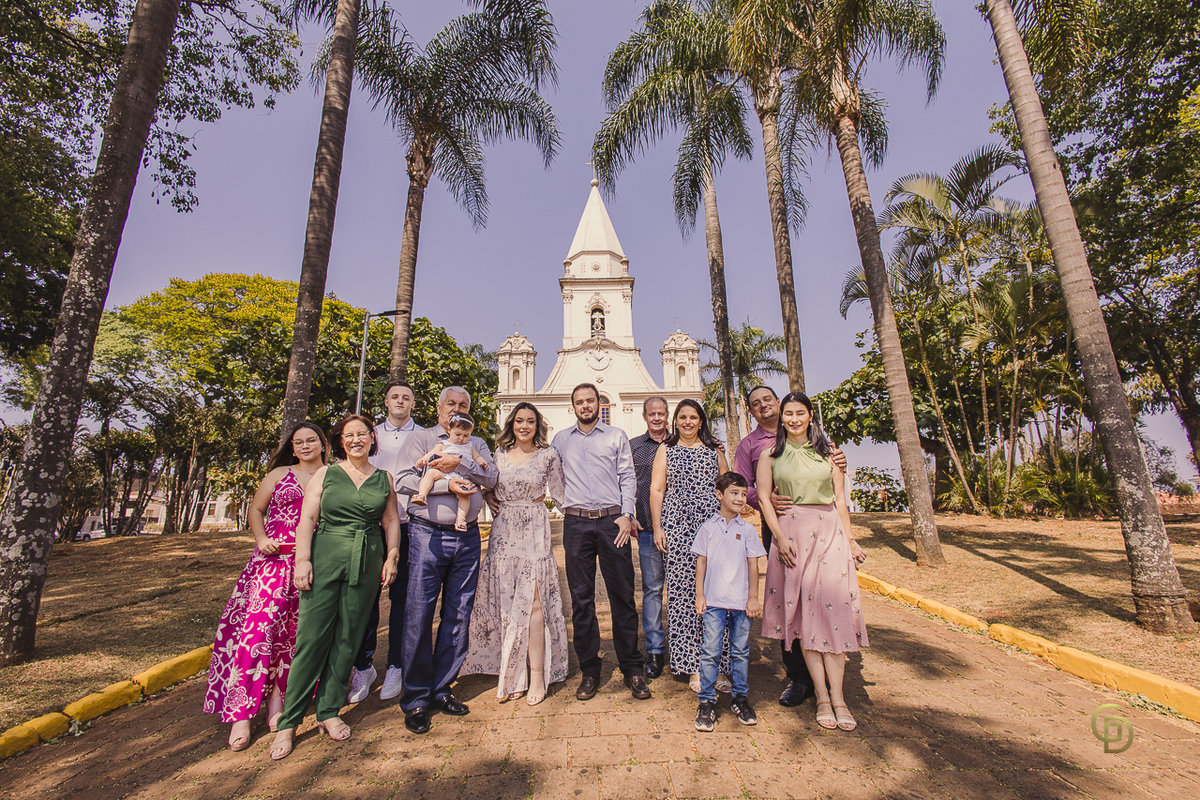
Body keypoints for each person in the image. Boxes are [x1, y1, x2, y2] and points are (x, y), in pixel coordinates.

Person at [270, 414, 401, 760]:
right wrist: (302, 560)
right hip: (327, 554)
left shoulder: (383, 478)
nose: (356, 440)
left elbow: (390, 519)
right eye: (349, 435)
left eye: (362, 434)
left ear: (372, 438)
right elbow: (308, 518)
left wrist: (392, 556)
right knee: (311, 639)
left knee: (348, 638)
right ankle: (289, 721)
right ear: (341, 441)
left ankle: (328, 710)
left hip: (367, 558)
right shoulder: (326, 474)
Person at [204, 422, 327, 751]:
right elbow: (256, 510)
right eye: (298, 442)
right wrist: (260, 539)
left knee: (295, 637)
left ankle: (278, 700)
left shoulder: (332, 475)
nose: (304, 446)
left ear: (323, 444)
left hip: (312, 563)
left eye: (311, 440)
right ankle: (241, 712)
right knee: (258, 634)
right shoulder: (278, 474)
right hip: (272, 562)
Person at [757, 392, 868, 732]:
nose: (794, 419)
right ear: (782, 417)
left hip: (830, 533)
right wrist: (780, 538)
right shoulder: (770, 455)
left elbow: (840, 500)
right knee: (805, 618)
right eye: (788, 413)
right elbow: (763, 498)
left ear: (810, 416)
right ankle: (821, 696)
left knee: (834, 613)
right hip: (792, 537)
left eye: (800, 413)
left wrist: (851, 540)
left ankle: (839, 698)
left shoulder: (830, 454)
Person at [733, 385, 846, 708]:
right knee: (790, 599)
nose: (762, 406)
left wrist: (839, 459)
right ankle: (799, 676)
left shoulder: (812, 437)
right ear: (751, 412)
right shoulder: (750, 445)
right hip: (780, 527)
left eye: (767, 400)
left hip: (822, 530)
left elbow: (831, 473)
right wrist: (765, 498)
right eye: (755, 404)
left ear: (780, 404)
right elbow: (743, 485)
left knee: (823, 598)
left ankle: (828, 672)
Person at [395, 386, 498, 734]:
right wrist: (447, 486)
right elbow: (404, 479)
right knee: (419, 613)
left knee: (458, 613)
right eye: (451, 403)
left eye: (463, 404)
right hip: (427, 534)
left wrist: (462, 463)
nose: (456, 408)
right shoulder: (423, 439)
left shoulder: (476, 442)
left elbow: (491, 477)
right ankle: (416, 699)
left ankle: (441, 688)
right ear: (439, 409)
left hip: (467, 537)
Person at [464, 402, 569, 705]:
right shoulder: (498, 455)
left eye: (530, 421)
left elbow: (561, 495)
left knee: (535, 602)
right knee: (508, 602)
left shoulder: (549, 455)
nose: (524, 426)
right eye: (519, 421)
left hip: (535, 531)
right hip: (504, 532)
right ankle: (513, 671)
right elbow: (487, 484)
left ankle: (536, 675)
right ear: (511, 424)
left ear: (538, 426)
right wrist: (487, 496)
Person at [552, 383, 649, 701]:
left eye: (590, 400)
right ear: (573, 406)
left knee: (622, 596)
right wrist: (565, 506)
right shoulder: (561, 440)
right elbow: (554, 477)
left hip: (612, 523)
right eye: (579, 402)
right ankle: (590, 671)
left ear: (597, 403)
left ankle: (632, 668)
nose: (585, 406)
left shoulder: (615, 436)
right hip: (576, 524)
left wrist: (626, 514)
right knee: (581, 600)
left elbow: (628, 476)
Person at [348, 381, 423, 706]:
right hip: (370, 526)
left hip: (408, 525)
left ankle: (395, 664)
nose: (400, 401)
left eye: (406, 397)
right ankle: (363, 666)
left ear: (413, 403)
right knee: (365, 598)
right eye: (395, 397)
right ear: (386, 402)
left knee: (402, 599)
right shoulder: (370, 435)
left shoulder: (423, 436)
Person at [650, 398, 731, 693]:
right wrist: (658, 527)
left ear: (701, 421)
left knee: (716, 593)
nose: (687, 422)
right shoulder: (666, 449)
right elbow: (657, 489)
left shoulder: (714, 450)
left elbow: (727, 490)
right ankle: (693, 665)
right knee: (684, 594)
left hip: (711, 527)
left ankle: (718, 666)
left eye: (693, 417)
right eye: (682, 417)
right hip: (678, 528)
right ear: (676, 421)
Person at [692, 472, 767, 732]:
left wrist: (753, 598)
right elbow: (701, 562)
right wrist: (700, 595)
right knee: (710, 651)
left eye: (743, 494)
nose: (740, 498)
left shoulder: (747, 530)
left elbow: (753, 565)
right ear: (719, 495)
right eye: (734, 493)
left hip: (741, 604)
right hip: (713, 602)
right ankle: (706, 701)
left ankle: (740, 699)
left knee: (740, 652)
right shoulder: (708, 527)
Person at [629, 396, 669, 679]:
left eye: (661, 413)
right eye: (652, 414)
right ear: (644, 416)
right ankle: (655, 649)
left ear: (667, 415)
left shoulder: (680, 444)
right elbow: (625, 483)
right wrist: (629, 515)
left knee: (682, 589)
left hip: (680, 531)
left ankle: (683, 644)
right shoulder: (634, 447)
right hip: (646, 530)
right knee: (652, 590)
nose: (656, 418)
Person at [411, 412, 489, 532]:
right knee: (430, 474)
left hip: (461, 476)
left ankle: (461, 519)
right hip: (443, 473)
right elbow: (432, 453)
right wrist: (424, 460)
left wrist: (482, 462)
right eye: (457, 434)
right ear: (449, 430)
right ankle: (422, 495)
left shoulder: (469, 446)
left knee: (465, 495)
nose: (461, 438)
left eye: (466, 435)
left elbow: (477, 457)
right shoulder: (443, 444)